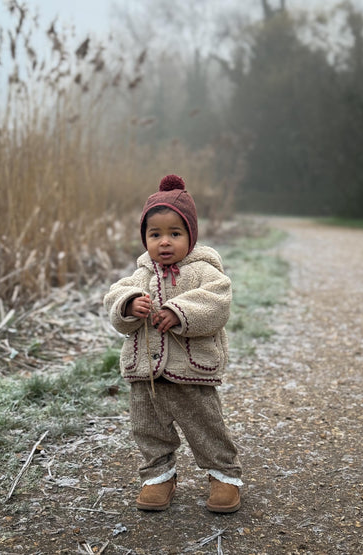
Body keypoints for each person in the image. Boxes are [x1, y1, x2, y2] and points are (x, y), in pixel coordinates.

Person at [103, 174, 243, 513]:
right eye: (155, 234)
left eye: (175, 234)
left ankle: (223, 475)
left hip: (191, 370)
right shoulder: (142, 275)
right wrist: (129, 303)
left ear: (191, 236)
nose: (164, 242)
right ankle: (158, 476)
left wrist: (179, 313)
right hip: (146, 373)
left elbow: (217, 303)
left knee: (206, 425)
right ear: (145, 238)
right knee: (148, 429)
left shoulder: (204, 272)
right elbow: (114, 297)